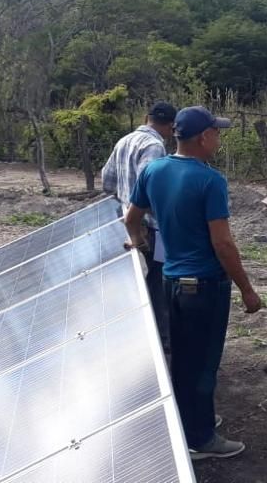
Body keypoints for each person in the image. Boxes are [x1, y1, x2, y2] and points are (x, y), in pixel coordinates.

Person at [124, 105, 263, 460]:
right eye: (216, 131)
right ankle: (200, 439)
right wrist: (247, 289)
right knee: (202, 362)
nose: (218, 137)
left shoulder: (154, 170)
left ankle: (191, 418)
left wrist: (139, 243)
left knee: (184, 357)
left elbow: (131, 217)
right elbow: (223, 243)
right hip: (204, 285)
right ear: (204, 137)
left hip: (172, 280)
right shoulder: (210, 180)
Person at [101, 101, 177, 352]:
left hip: (128, 222)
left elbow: (107, 179)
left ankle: (148, 334)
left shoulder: (125, 140)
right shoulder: (154, 146)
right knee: (160, 279)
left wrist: (125, 203)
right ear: (170, 126)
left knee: (141, 280)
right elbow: (149, 189)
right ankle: (163, 338)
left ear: (147, 118)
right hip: (150, 227)